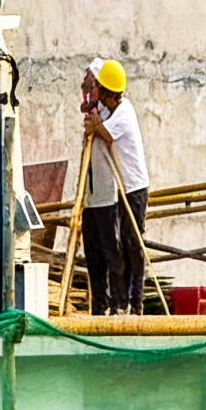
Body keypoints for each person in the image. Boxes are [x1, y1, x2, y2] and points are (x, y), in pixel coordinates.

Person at [84, 59, 150, 315]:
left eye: (103, 92)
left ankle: (136, 300)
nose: (100, 97)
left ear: (112, 95)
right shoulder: (110, 110)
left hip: (135, 187)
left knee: (133, 241)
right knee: (124, 239)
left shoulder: (124, 112)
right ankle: (125, 302)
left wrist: (94, 125)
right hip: (124, 188)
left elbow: (105, 134)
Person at [78, 58, 122, 315]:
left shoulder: (110, 117)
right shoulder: (90, 119)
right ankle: (99, 305)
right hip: (90, 199)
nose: (87, 91)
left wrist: (96, 123)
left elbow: (109, 138)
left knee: (111, 252)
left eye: (92, 86)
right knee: (93, 255)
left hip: (107, 197)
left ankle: (118, 304)